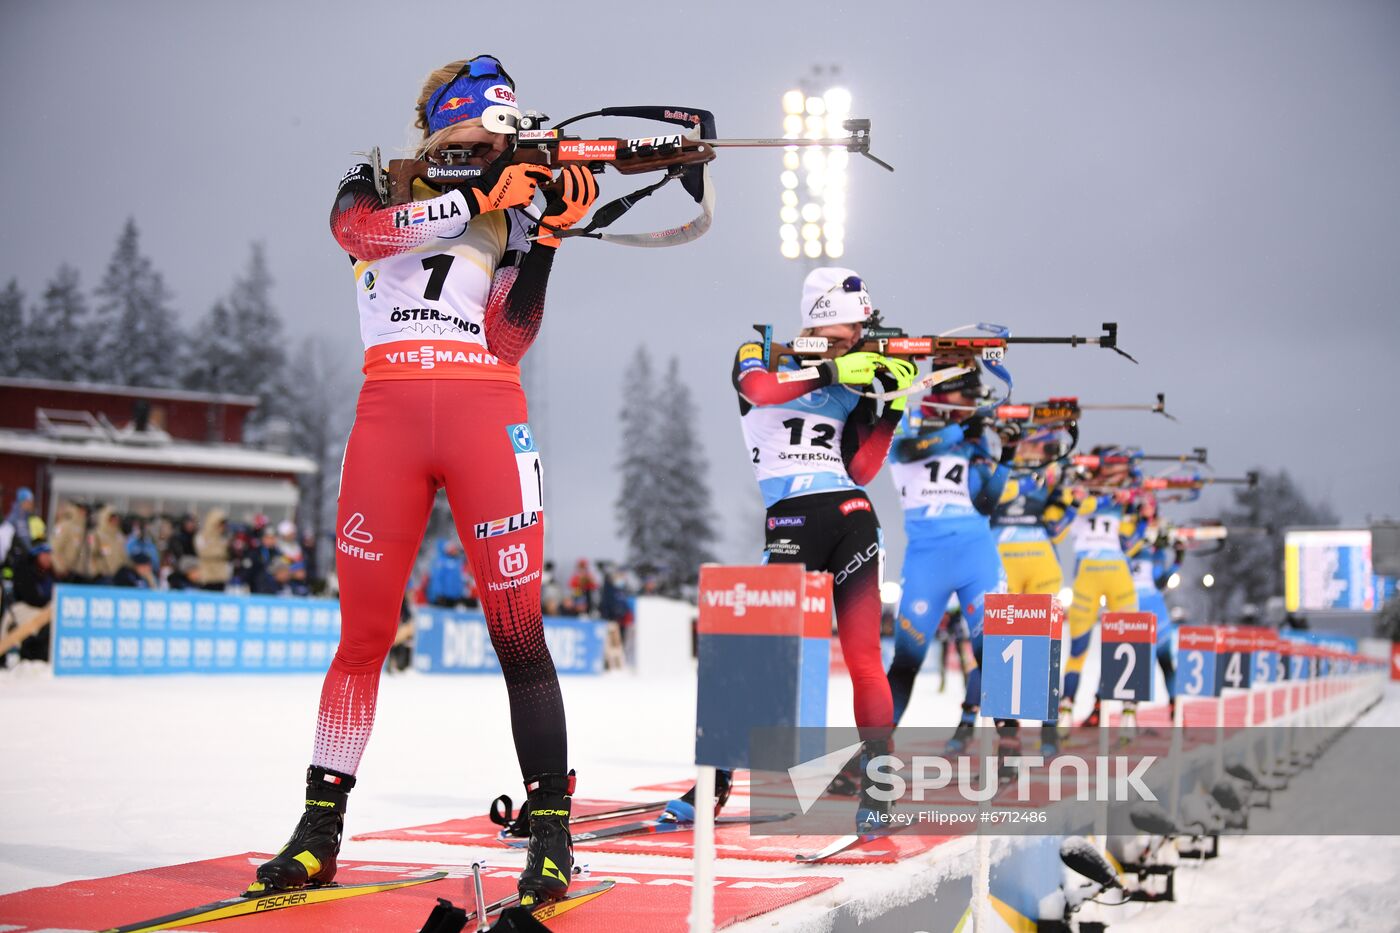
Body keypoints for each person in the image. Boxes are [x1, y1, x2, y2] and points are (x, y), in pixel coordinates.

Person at [253, 54, 596, 908]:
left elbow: (509, 339)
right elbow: (359, 234)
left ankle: (551, 833)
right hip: (388, 421)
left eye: (501, 137)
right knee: (362, 636)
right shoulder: (375, 181)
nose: (489, 147)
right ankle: (318, 829)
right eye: (476, 133)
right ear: (441, 127)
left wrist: (545, 236)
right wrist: (480, 197)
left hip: (486, 415)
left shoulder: (513, 212)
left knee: (519, 635)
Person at [670, 266, 914, 833]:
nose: (862, 332)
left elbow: (860, 468)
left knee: (859, 660)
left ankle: (877, 789)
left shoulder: (854, 380)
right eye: (857, 321)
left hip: (843, 515)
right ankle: (719, 779)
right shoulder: (760, 351)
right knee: (752, 654)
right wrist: (835, 367)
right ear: (830, 315)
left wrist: (891, 406)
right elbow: (758, 389)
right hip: (800, 519)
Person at [883, 366, 1013, 751]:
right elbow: (904, 451)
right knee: (906, 660)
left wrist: (1008, 453)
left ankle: (1009, 745)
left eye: (976, 400)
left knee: (996, 652)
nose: (974, 405)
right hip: (928, 557)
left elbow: (987, 501)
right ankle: (871, 749)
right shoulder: (911, 417)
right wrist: (960, 431)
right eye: (968, 397)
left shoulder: (973, 439)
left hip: (977, 553)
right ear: (948, 393)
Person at [990, 431, 1075, 753]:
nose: (1047, 450)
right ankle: (1005, 737)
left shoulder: (1053, 470)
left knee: (1044, 652)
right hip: (1001, 562)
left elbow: (1056, 526)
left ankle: (1049, 731)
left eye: (1050, 447)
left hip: (1041, 563)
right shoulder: (1000, 462)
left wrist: (1071, 496)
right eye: (1042, 443)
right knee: (1000, 653)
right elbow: (985, 501)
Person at [1056, 447, 1142, 727]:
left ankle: (1124, 710)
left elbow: (1130, 543)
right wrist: (1115, 497)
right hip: (1100, 574)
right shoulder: (1082, 493)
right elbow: (1078, 507)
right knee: (1081, 649)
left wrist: (1140, 512)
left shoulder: (1118, 500)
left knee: (1127, 643)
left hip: (1103, 572)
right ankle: (1067, 706)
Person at [425, 539, 467, 607]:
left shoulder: (457, 561)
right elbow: (437, 579)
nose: (455, 552)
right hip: (442, 597)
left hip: (455, 597)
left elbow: (459, 579)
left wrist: (460, 593)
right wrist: (438, 594)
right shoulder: (441, 561)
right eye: (453, 550)